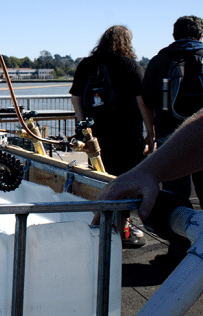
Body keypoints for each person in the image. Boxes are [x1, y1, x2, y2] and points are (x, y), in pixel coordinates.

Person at [70, 25, 154, 246]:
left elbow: (76, 99)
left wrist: (83, 128)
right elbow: (142, 103)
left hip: (97, 135)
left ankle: (101, 224)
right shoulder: (130, 66)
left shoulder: (86, 64)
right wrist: (151, 132)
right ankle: (122, 228)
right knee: (125, 180)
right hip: (128, 135)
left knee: (100, 177)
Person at [141, 15, 203, 200]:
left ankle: (178, 226)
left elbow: (147, 100)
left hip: (169, 135)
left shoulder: (160, 60)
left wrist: (151, 134)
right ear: (200, 34)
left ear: (174, 34)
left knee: (175, 195)